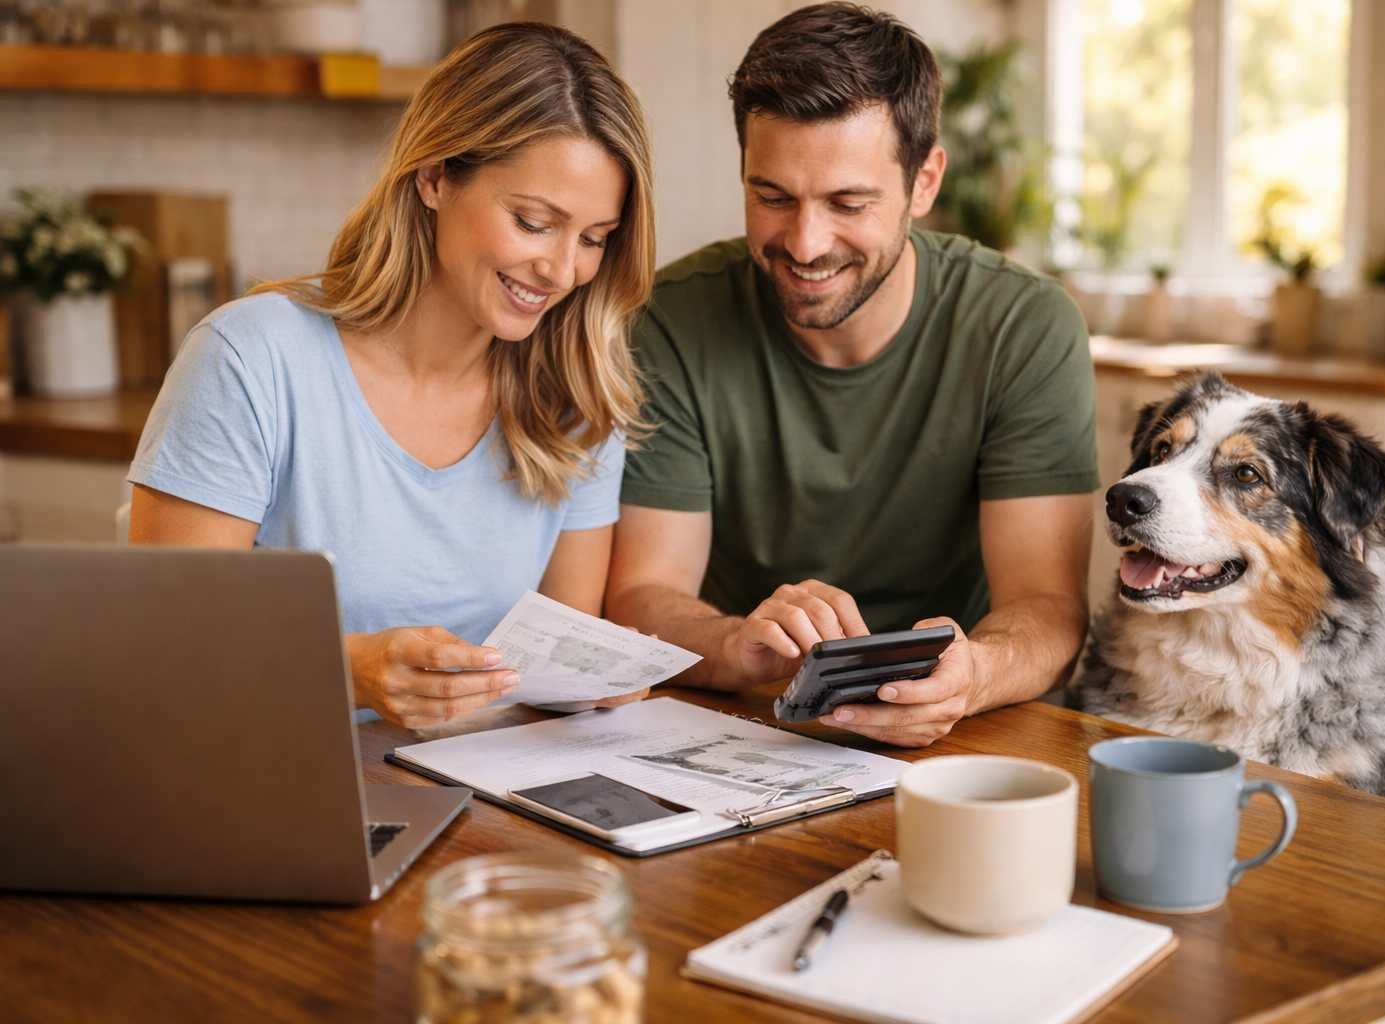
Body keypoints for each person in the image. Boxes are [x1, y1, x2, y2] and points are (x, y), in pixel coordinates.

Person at [128, 23, 655, 729]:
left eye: (593, 239)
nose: (563, 271)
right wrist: (345, 670)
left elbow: (550, 673)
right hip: (265, 784)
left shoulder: (577, 399)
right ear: (435, 177)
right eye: (534, 222)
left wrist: (593, 680)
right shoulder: (251, 358)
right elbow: (160, 645)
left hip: (482, 795)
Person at [606, 2, 1098, 748]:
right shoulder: (673, 322)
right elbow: (642, 594)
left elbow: (1049, 606)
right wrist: (734, 642)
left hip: (958, 731)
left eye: (848, 203)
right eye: (772, 197)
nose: (804, 243)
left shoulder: (1022, 328)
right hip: (744, 724)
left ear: (924, 182)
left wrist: (977, 672)